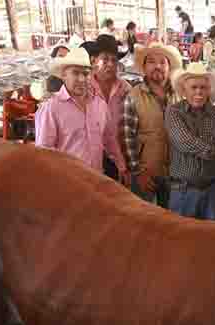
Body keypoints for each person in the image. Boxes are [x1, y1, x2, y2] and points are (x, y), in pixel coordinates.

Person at [166, 62, 215, 219]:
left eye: (203, 87)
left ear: (209, 90)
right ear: (184, 91)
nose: (199, 92)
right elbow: (187, 143)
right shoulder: (174, 112)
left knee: (210, 239)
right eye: (194, 87)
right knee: (181, 238)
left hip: (212, 190)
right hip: (183, 190)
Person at [34, 47, 120, 176]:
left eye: (85, 74)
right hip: (68, 184)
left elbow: (109, 138)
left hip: (97, 180)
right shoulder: (51, 109)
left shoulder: (99, 105)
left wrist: (121, 164)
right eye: (75, 73)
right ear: (64, 75)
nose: (81, 79)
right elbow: (44, 154)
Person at [119, 42, 182, 208]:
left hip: (175, 173)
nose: (158, 66)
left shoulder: (180, 95)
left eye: (163, 62)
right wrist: (138, 172)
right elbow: (128, 139)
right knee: (143, 220)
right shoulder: (133, 96)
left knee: (172, 222)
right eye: (152, 62)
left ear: (169, 67)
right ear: (144, 67)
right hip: (146, 172)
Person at [83, 35, 131, 181]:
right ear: (93, 61)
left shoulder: (125, 88)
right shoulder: (83, 87)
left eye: (114, 60)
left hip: (120, 155)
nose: (110, 64)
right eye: (105, 59)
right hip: (89, 158)